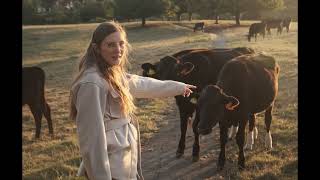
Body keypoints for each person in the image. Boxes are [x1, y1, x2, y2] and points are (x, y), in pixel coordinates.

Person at [69, 21, 196, 180]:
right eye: (110, 45)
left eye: (121, 43)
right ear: (96, 48)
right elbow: (92, 140)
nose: (118, 50)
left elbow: (141, 83)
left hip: (124, 164)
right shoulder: (91, 83)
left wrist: (178, 87)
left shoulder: (111, 72)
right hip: (112, 170)